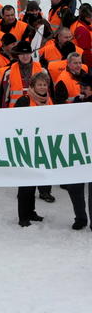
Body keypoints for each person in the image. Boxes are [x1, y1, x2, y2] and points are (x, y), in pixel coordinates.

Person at [14, 72, 52, 226]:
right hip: (26, 145)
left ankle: (31, 212)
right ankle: (23, 217)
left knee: (34, 180)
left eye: (44, 84)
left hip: (41, 145)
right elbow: (16, 120)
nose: (42, 87)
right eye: (39, 84)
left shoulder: (49, 100)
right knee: (25, 183)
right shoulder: (24, 100)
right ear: (33, 86)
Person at [65, 74, 92, 230]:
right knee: (75, 187)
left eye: (85, 88)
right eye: (81, 87)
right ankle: (80, 218)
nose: (82, 90)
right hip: (78, 151)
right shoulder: (77, 101)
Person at [1, 41, 45, 108]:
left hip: (37, 109)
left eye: (27, 54)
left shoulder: (42, 71)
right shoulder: (9, 73)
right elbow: (4, 97)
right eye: (22, 54)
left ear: (31, 54)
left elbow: (49, 94)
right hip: (16, 111)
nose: (25, 57)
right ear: (18, 55)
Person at [71, 3, 92, 71]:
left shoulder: (76, 23)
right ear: (85, 17)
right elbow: (85, 51)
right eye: (90, 17)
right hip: (84, 62)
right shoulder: (82, 30)